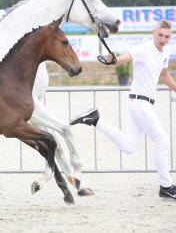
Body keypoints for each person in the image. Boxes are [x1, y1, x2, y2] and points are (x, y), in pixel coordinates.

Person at [70, 20, 176, 200]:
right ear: (153, 32)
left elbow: (164, 75)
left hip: (144, 105)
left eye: (167, 36)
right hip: (139, 104)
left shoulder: (165, 51)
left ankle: (95, 120)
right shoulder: (143, 49)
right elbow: (123, 58)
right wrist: (114, 60)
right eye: (160, 35)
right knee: (163, 142)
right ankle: (166, 186)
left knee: (129, 146)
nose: (163, 39)